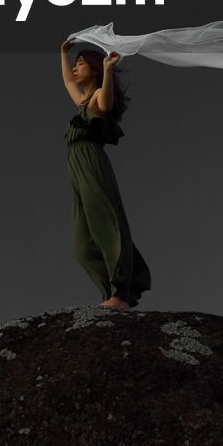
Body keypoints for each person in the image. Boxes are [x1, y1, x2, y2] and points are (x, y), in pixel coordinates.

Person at [61, 38, 152, 310]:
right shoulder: (82, 100)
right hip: (76, 166)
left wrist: (108, 68)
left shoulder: (99, 96)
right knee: (82, 243)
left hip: (91, 162)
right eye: (75, 64)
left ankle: (120, 294)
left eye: (80, 64)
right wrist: (63, 52)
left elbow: (108, 99)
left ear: (94, 69)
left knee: (106, 225)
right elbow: (68, 82)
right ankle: (109, 292)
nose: (75, 69)